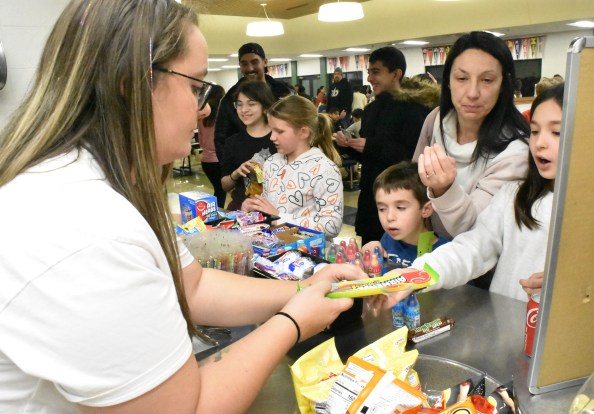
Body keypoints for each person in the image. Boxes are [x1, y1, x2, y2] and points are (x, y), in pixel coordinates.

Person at [0, 2, 368, 412]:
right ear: (133, 84)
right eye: (196, 87)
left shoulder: (106, 189)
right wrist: (293, 321)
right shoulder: (84, 227)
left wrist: (304, 288)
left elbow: (192, 285)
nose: (203, 108)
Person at [387, 84, 564, 304]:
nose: (540, 143)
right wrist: (417, 274)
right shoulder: (515, 195)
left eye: (556, 132)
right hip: (505, 326)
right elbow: (474, 247)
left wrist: (567, 283)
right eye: (535, 131)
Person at [414, 31, 531, 240]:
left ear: (504, 84)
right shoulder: (436, 120)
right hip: (426, 249)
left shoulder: (515, 153)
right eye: (461, 78)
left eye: (487, 80)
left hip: (481, 266)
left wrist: (444, 189)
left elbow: (477, 230)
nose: (472, 93)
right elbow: (412, 185)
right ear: (448, 80)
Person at [334, 46, 433, 245]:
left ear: (396, 74)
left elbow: (416, 156)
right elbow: (368, 156)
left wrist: (372, 146)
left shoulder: (416, 110)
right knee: (373, 258)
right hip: (373, 201)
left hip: (408, 200)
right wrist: (347, 145)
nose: (370, 78)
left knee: (417, 264)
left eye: (376, 72)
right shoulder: (371, 110)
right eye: (369, 72)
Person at [241, 95, 344, 239]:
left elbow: (332, 225)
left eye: (280, 131)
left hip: (307, 253)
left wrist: (280, 217)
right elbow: (268, 203)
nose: (272, 137)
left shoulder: (325, 170)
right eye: (272, 130)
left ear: (303, 132)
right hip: (273, 248)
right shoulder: (271, 163)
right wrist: (254, 208)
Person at [214, 42, 292, 161]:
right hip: (248, 166)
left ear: (265, 62)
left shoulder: (284, 93)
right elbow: (221, 139)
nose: (250, 68)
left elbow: (297, 125)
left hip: (285, 160)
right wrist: (231, 169)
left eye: (254, 62)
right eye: (244, 64)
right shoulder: (230, 99)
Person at [362, 161, 448, 268]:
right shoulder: (388, 240)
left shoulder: (444, 253)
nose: (389, 217)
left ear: (426, 209)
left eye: (400, 208)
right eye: (382, 209)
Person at [220, 80, 276, 210]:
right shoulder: (232, 142)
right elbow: (225, 185)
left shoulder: (278, 138)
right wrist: (236, 173)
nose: (244, 110)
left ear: (265, 106)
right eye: (239, 105)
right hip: (241, 209)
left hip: (275, 208)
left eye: (251, 104)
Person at [197, 84, 226, 208]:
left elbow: (200, 139)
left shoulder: (202, 116)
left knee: (218, 190)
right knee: (221, 191)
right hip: (218, 160)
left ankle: (214, 213)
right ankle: (216, 215)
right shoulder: (221, 117)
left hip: (206, 160)